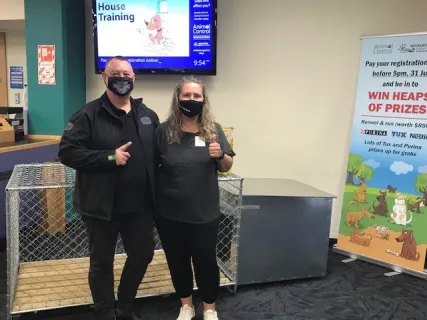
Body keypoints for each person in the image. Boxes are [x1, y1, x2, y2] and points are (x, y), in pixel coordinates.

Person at [58, 56, 159, 320]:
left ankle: (125, 306)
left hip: (139, 206)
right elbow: (67, 153)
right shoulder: (87, 114)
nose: (123, 78)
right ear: (105, 77)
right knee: (102, 263)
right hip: (101, 206)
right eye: (117, 73)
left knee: (143, 255)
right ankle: (105, 312)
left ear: (134, 78)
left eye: (128, 73)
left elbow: (160, 154)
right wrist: (109, 157)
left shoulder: (148, 116)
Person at [154, 76, 235, 320]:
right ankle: (186, 305)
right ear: (177, 99)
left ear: (203, 99)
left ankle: (209, 308)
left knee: (206, 262)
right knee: (177, 261)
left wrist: (219, 154)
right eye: (186, 96)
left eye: (196, 96)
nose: (192, 100)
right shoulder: (163, 132)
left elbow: (226, 166)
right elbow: (152, 166)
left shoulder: (212, 131)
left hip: (204, 212)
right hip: (170, 213)